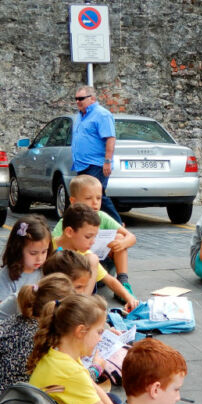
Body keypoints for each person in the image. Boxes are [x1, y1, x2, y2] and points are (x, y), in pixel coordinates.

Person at [27, 294, 119, 404]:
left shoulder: (59, 353)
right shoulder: (70, 372)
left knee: (113, 400)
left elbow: (91, 385)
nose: (100, 339)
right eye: (99, 332)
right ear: (81, 331)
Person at [52, 175, 137, 297]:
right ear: (73, 201)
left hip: (103, 264)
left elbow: (131, 237)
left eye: (98, 198)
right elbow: (55, 247)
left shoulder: (102, 216)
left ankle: (123, 281)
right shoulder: (66, 224)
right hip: (76, 267)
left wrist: (121, 244)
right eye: (88, 198)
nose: (95, 203)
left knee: (119, 237)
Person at [53, 204, 138, 312]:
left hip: (73, 305)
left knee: (93, 259)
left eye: (95, 237)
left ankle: (83, 305)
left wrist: (129, 298)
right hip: (50, 302)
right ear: (69, 232)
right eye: (88, 237)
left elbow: (109, 279)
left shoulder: (84, 253)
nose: (93, 242)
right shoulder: (47, 247)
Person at [0, 274, 74, 395]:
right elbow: (67, 377)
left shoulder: (18, 319)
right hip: (11, 402)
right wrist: (95, 370)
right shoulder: (43, 338)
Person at [71, 85, 122, 224]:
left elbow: (110, 138)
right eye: (76, 99)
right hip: (82, 164)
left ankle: (117, 225)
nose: (77, 101)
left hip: (96, 163)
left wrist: (107, 161)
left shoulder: (101, 114)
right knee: (84, 196)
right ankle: (89, 225)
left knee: (97, 196)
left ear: (92, 99)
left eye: (81, 98)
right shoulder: (80, 116)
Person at [0, 250, 93, 321]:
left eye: (85, 287)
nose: (83, 293)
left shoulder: (68, 305)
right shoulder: (28, 300)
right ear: (56, 281)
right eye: (78, 287)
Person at [0, 216, 53, 302]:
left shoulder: (45, 271)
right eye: (33, 253)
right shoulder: (6, 277)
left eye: (44, 252)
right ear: (18, 249)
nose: (39, 258)